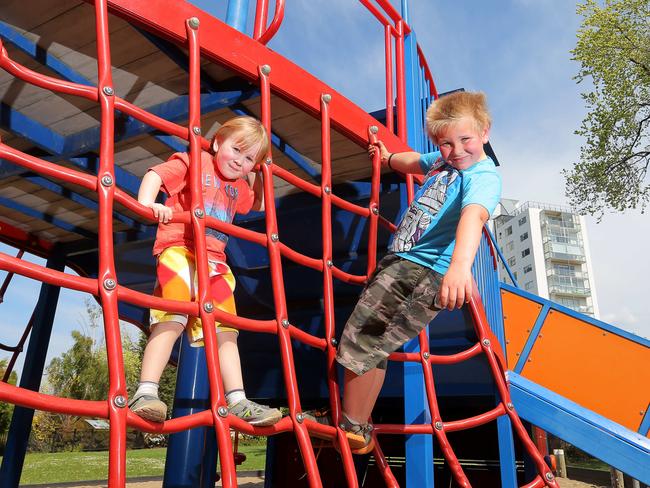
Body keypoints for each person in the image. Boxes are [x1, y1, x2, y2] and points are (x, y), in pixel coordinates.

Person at [306, 91, 501, 453]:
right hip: (401, 265)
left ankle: (354, 427)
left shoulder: (483, 176)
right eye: (446, 143)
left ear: (485, 133)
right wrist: (389, 157)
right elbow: (415, 161)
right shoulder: (444, 164)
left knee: (364, 337)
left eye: (465, 140)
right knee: (368, 340)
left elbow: (473, 217)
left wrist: (461, 267)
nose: (456, 150)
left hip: (424, 273)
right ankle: (353, 421)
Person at [129, 116, 282, 426]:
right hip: (179, 249)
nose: (240, 161)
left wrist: (262, 172)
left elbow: (260, 206)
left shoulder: (238, 186)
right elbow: (156, 174)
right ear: (216, 143)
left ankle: (237, 399)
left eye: (249, 158)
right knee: (174, 315)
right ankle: (145, 392)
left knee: (227, 329)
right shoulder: (195, 162)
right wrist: (149, 204)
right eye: (237, 150)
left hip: (215, 262)